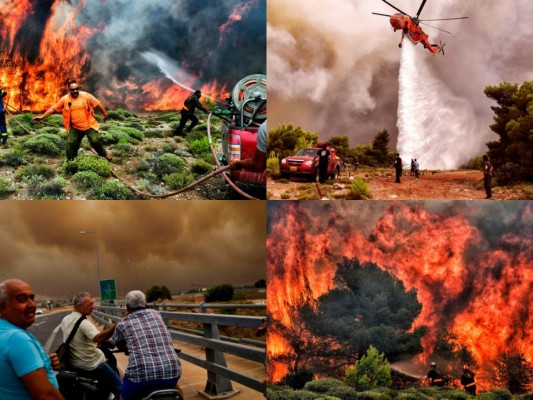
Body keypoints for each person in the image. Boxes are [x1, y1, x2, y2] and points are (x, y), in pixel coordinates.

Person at [111, 290, 181, 400]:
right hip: (172, 370)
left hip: (141, 375)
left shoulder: (123, 324)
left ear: (127, 307)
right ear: (145, 303)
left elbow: (116, 342)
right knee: (177, 391)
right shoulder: (156, 314)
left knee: (121, 396)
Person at [0, 279, 64, 399]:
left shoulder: (4, 332)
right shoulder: (17, 339)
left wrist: (44, 363)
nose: (32, 304)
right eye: (22, 299)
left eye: (31, 298)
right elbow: (47, 395)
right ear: (3, 307)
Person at [61, 291, 121, 399]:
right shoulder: (84, 323)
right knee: (120, 386)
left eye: (93, 304)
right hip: (93, 364)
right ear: (79, 306)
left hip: (76, 363)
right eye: (90, 305)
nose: (93, 307)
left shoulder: (66, 320)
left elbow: (78, 339)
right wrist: (115, 326)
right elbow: (99, 338)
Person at [32, 79, 111, 161]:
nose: (75, 91)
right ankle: (71, 161)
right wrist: (42, 117)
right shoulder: (65, 99)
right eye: (73, 89)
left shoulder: (86, 95)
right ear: (69, 90)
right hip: (75, 127)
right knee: (70, 144)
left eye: (77, 88)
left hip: (89, 125)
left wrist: (105, 114)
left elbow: (98, 103)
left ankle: (104, 154)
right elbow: (53, 109)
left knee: (95, 141)